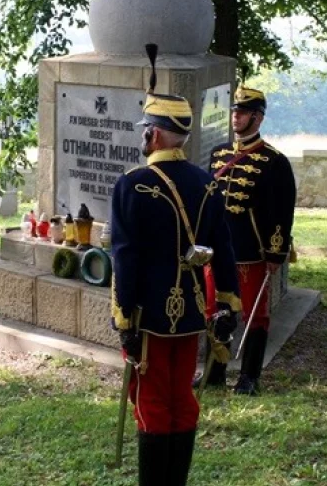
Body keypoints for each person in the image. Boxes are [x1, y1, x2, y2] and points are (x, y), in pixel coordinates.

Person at [110, 44, 241, 486]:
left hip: (147, 314)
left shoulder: (132, 185)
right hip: (189, 312)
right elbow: (222, 250)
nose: (143, 135)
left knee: (150, 401)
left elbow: (125, 257)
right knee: (182, 399)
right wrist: (226, 307)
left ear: (154, 134)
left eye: (146, 128)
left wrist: (125, 316)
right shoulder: (208, 183)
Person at [198, 86, 296, 396]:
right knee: (215, 310)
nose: (235, 116)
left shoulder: (273, 161)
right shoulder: (218, 155)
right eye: (234, 111)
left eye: (241, 112)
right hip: (218, 252)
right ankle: (214, 372)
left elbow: (282, 212)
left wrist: (275, 253)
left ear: (257, 117)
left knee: (255, 314)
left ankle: (250, 377)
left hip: (250, 252)